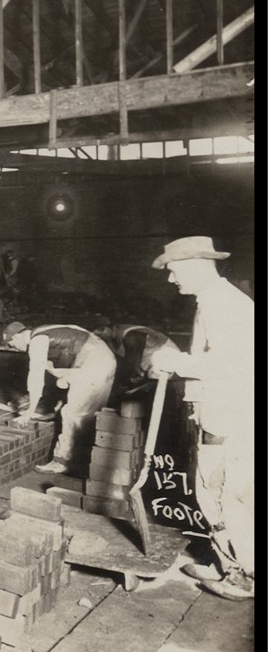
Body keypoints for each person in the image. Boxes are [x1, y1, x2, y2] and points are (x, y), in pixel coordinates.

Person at [148, 236, 254, 601]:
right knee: (211, 491)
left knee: (227, 496)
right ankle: (227, 562)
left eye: (174, 271)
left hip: (232, 418)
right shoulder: (213, 300)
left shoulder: (223, 304)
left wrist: (173, 362)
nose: (171, 279)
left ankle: (245, 575)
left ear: (193, 266)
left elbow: (228, 364)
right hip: (221, 413)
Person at [4, 320, 116, 477]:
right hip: (102, 358)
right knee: (88, 414)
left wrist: (28, 413)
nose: (15, 349)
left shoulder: (37, 340)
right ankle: (84, 462)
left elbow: (35, 377)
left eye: (11, 345)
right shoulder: (45, 330)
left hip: (94, 363)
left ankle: (62, 461)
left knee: (73, 414)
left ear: (16, 336)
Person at [94, 323, 179, 386]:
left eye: (101, 330)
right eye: (97, 334)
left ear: (109, 327)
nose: (101, 335)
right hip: (152, 356)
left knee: (155, 380)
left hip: (166, 353)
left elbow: (133, 360)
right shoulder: (116, 334)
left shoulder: (130, 336)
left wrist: (132, 378)